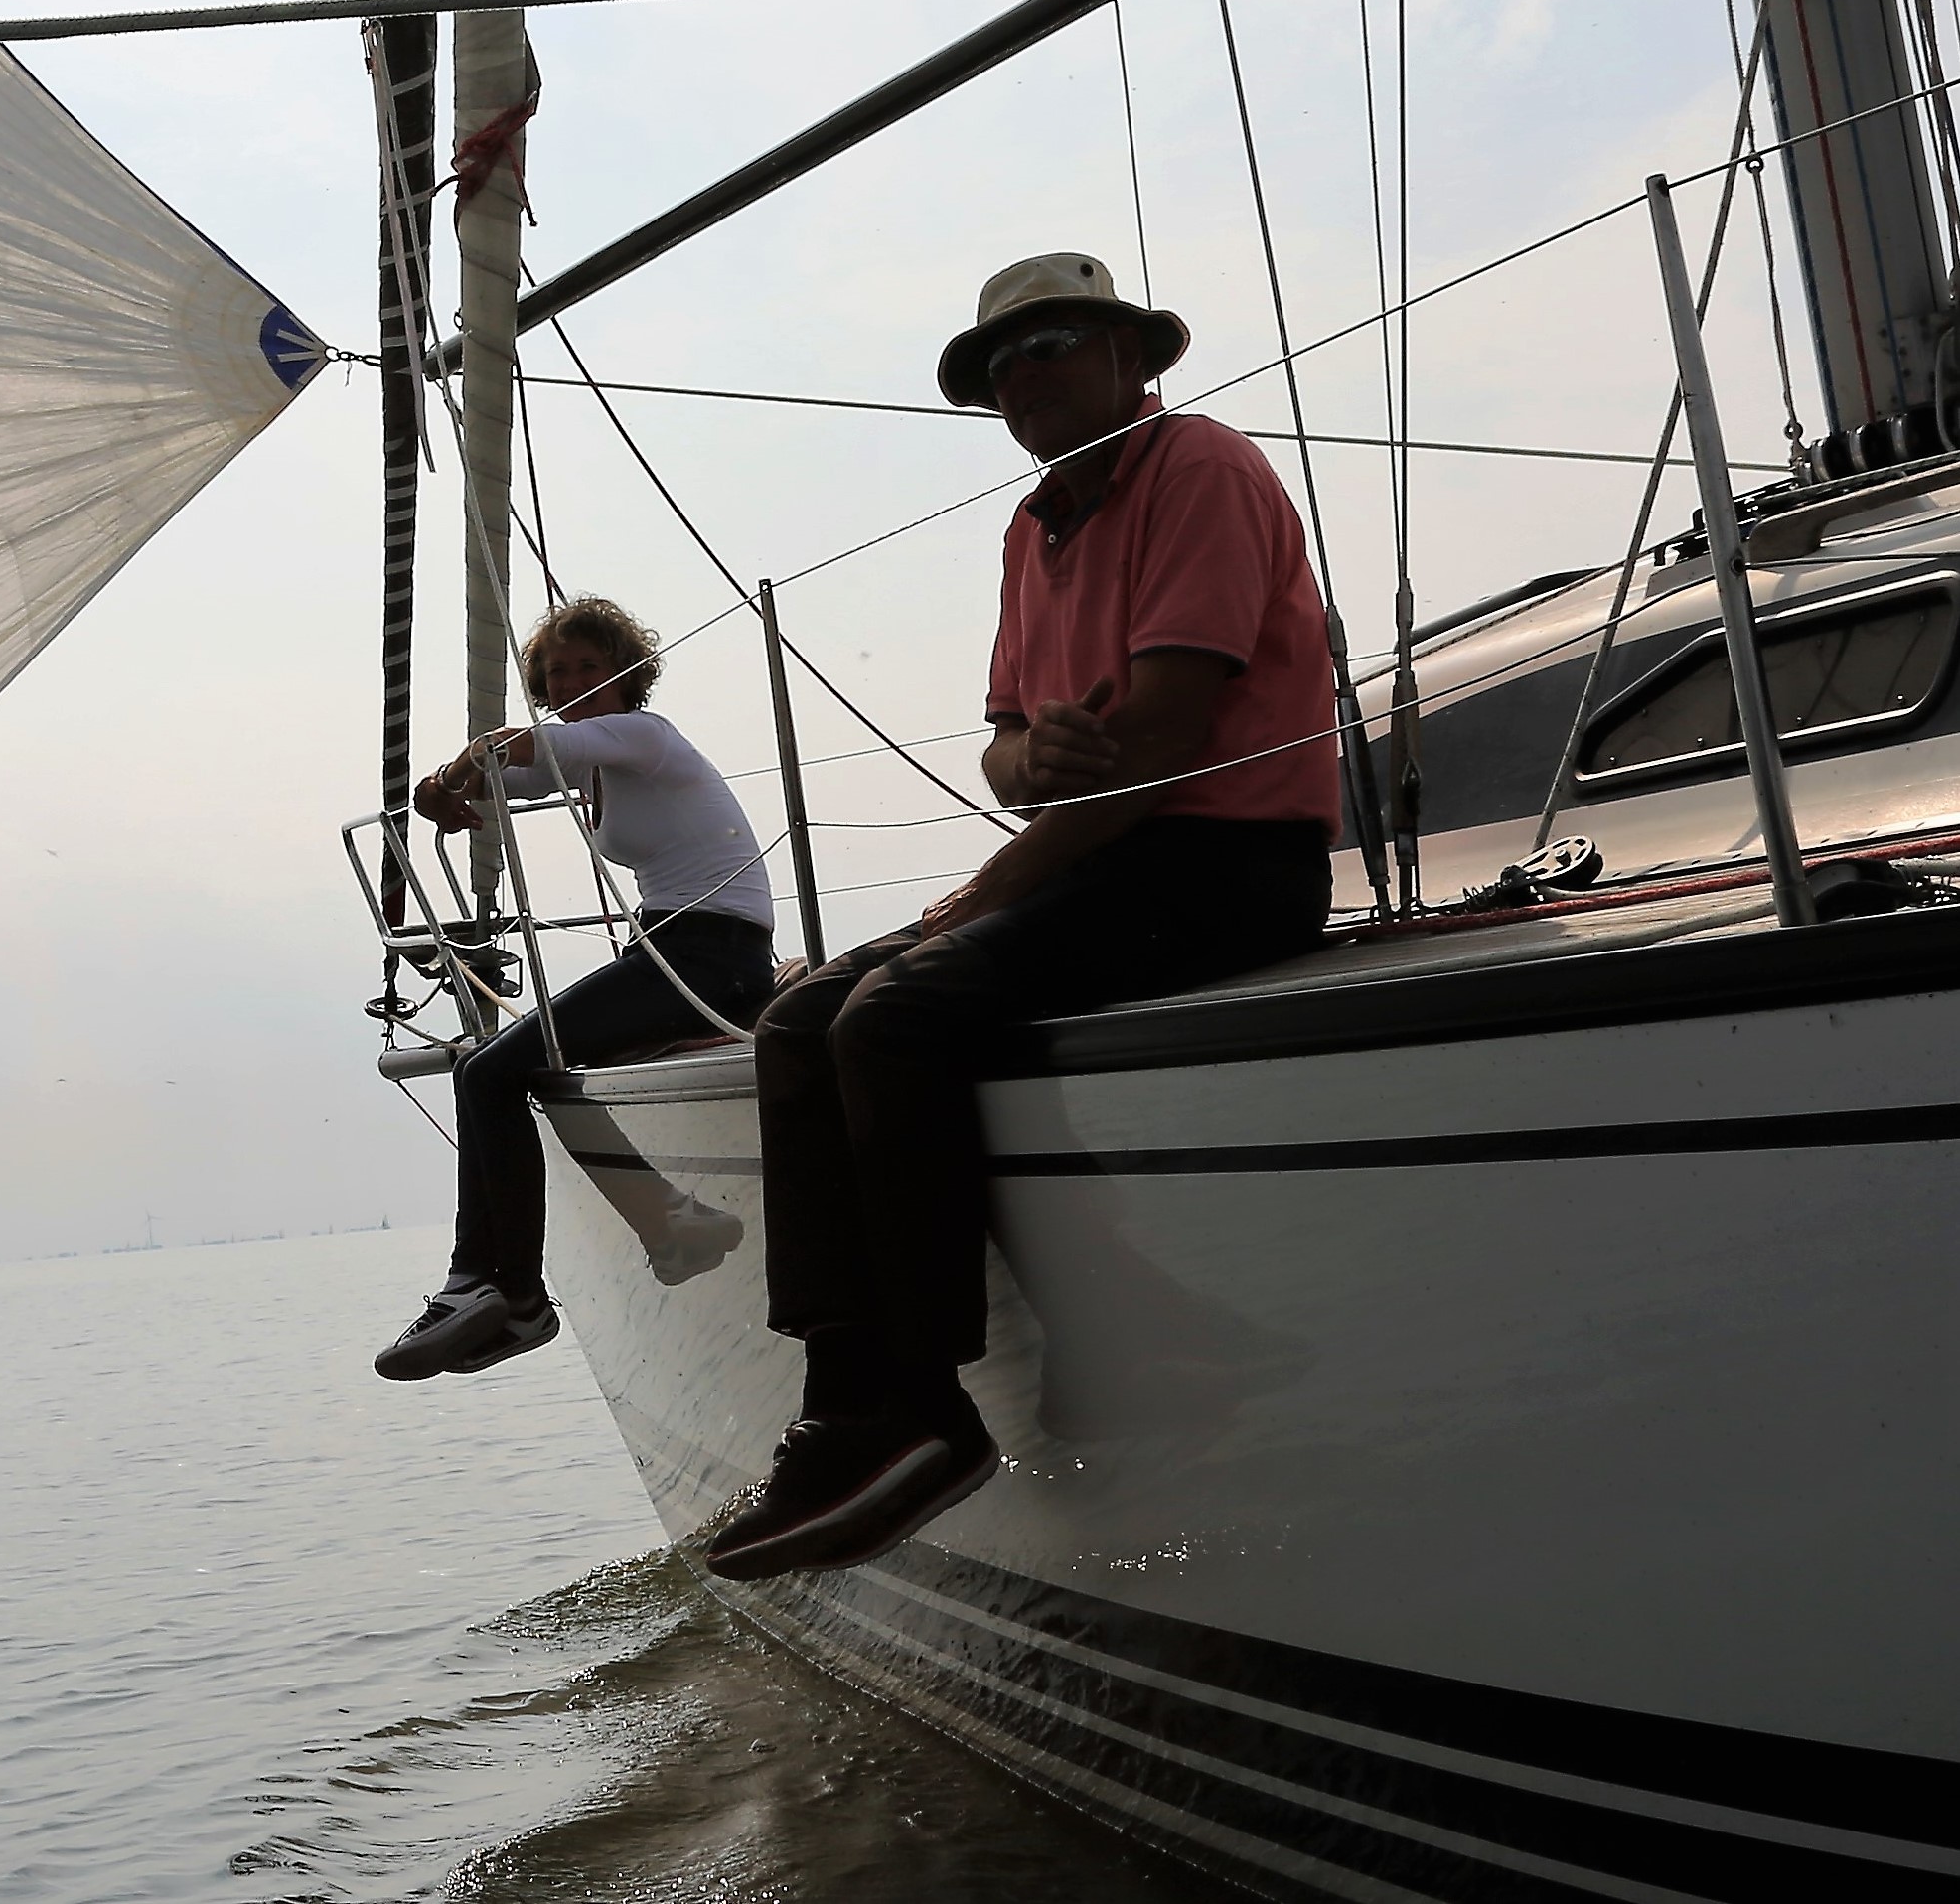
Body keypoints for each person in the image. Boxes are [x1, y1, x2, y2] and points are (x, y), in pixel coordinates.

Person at [701, 252, 1341, 1580]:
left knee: (892, 1014)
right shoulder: (1030, 524)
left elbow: (1165, 731)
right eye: (996, 363)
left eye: (1047, 342)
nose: (1018, 376)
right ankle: (845, 1397)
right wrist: (1027, 767)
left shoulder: (1200, 467)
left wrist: (985, 888)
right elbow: (1002, 748)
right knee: (792, 1019)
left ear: (1130, 357)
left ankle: (925, 1411)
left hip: (1227, 858)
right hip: (1097, 860)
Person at [374, 596, 778, 1381]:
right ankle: (670, 1222)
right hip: (676, 950)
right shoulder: (591, 766)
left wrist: (469, 764)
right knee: (528, 1068)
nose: (573, 682)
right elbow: (506, 779)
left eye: (589, 667)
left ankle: (506, 1291)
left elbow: (516, 747)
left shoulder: (641, 736)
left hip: (709, 953)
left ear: (626, 673)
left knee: (490, 1070)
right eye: (557, 674)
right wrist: (439, 792)